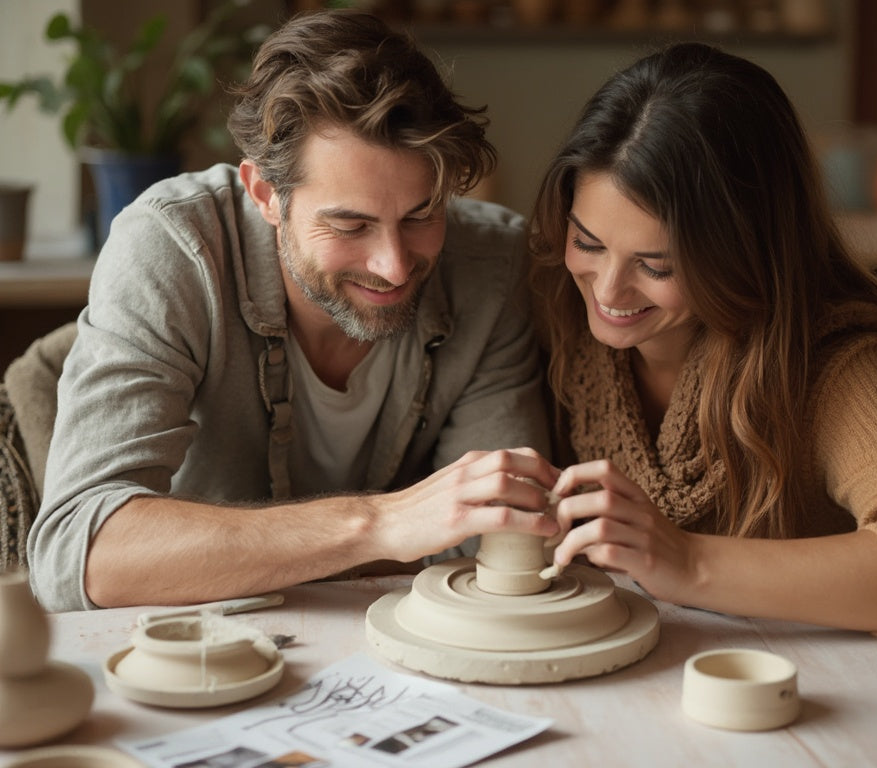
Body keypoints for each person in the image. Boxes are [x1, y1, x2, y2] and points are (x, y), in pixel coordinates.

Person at [27, 9, 560, 612]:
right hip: (197, 651)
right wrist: (380, 523)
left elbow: (496, 533)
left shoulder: (492, 263)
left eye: (421, 216)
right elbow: (81, 553)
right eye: (350, 224)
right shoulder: (172, 247)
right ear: (264, 195)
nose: (393, 265)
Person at [528, 42, 877, 638]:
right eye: (588, 242)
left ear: (742, 255)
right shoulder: (549, 303)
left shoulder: (826, 362)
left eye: (656, 267)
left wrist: (689, 562)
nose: (607, 288)